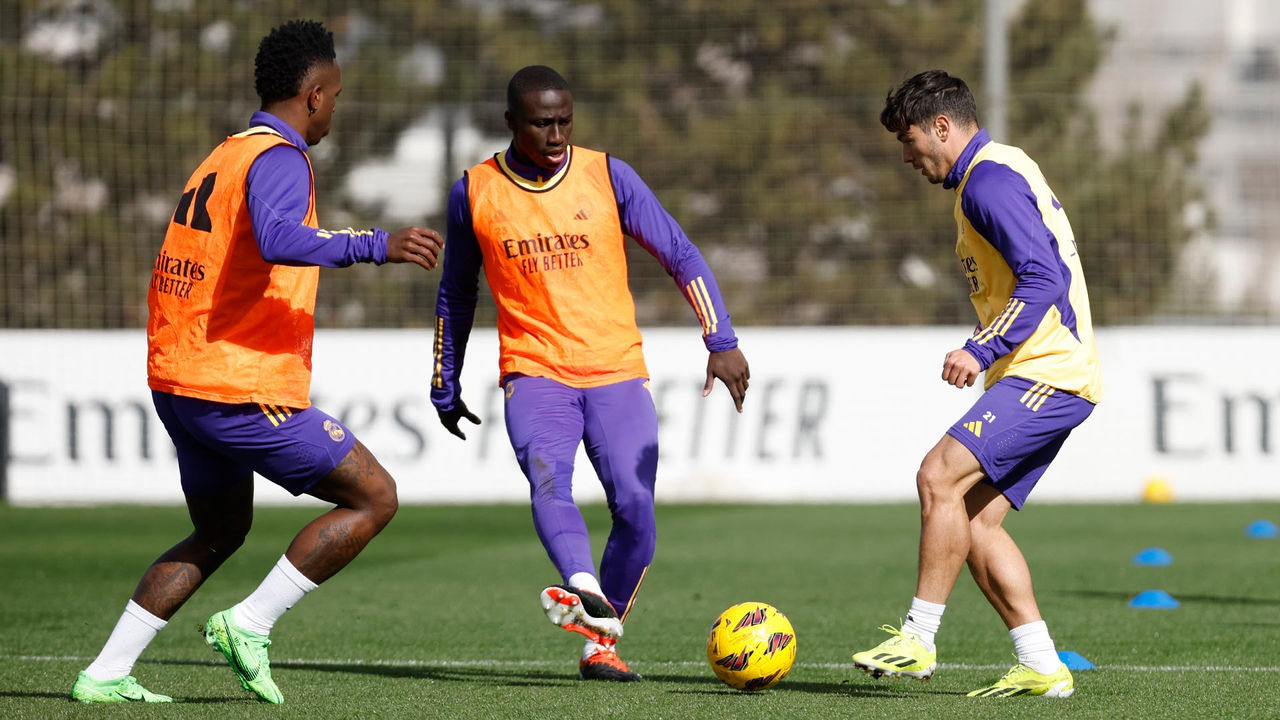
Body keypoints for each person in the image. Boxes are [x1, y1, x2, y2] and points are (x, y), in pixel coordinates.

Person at [69, 19, 443, 704]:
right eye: (334, 95)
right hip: (235, 384)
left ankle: (105, 673)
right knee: (374, 497)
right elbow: (276, 238)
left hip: (180, 377)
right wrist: (375, 244)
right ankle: (249, 622)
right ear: (314, 94)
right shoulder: (280, 157)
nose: (335, 108)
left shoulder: (225, 153)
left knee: (220, 529)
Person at [430, 65, 750, 682]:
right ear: (510, 123)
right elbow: (456, 294)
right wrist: (446, 377)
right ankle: (582, 588)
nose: (555, 134)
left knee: (636, 509)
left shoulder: (608, 175)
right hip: (534, 370)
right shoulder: (474, 190)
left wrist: (721, 337)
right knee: (550, 482)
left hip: (615, 371)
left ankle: (599, 642)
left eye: (564, 121)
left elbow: (678, 252)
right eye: (541, 122)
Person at [850, 70, 1102, 699]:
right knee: (970, 521)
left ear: (942, 127)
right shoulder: (993, 174)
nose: (907, 157)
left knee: (937, 476)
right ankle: (1042, 663)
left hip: (1049, 370)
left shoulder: (988, 181)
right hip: (1044, 371)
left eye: (910, 141)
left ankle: (917, 638)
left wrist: (981, 346)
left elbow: (1041, 277)